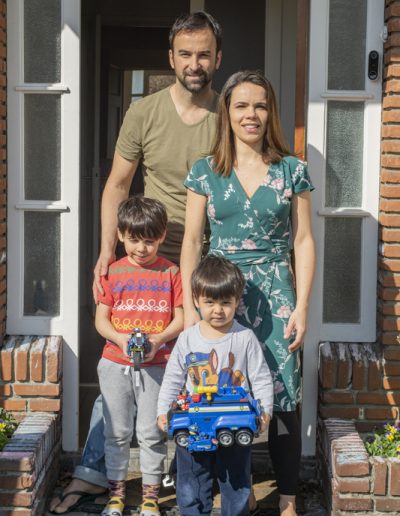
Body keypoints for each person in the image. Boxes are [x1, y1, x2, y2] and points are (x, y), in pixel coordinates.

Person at [49, 11, 222, 515]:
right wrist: (107, 250)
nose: (195, 63)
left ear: (218, 58)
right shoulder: (145, 112)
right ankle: (96, 472)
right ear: (171, 58)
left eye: (204, 53)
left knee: (197, 369)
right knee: (126, 362)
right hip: (149, 253)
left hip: (209, 260)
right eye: (185, 54)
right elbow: (118, 186)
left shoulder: (229, 114)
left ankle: (188, 480)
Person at [180, 71, 316, 516]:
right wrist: (188, 309)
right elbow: (191, 241)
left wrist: (301, 305)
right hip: (219, 293)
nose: (251, 114)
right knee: (216, 389)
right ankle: (229, 492)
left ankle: (290, 498)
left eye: (259, 105)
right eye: (241, 105)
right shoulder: (205, 171)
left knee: (283, 395)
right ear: (228, 112)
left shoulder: (292, 169)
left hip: (276, 294)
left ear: (270, 112)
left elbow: (303, 241)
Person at [157, 256, 273, 516]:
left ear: (236, 301)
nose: (217, 310)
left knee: (237, 480)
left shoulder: (244, 338)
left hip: (234, 420)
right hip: (194, 421)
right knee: (191, 480)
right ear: (196, 300)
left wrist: (265, 410)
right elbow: (173, 377)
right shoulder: (187, 338)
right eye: (209, 302)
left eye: (225, 302)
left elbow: (261, 377)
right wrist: (163, 410)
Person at [96, 196, 183, 516]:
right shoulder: (112, 272)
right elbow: (101, 319)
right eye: (134, 240)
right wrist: (120, 339)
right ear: (120, 235)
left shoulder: (171, 272)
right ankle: (115, 495)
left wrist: (159, 339)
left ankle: (150, 497)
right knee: (116, 433)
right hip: (114, 364)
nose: (141, 248)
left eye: (149, 240)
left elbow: (182, 316)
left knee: (152, 433)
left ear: (161, 236)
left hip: (157, 365)